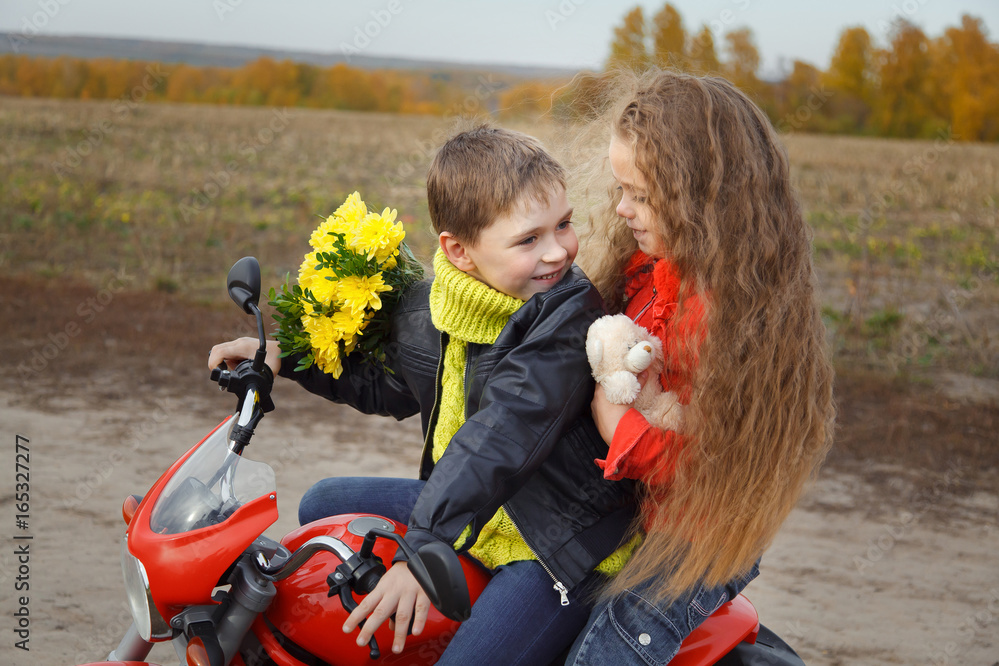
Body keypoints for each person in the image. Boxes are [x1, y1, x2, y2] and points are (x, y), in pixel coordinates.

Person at [209, 126, 637, 664]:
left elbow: (501, 434)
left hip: (556, 542)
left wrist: (422, 550)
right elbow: (390, 387)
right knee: (322, 503)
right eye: (529, 239)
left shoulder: (567, 316)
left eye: (564, 225)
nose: (558, 251)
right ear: (459, 252)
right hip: (481, 511)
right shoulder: (434, 308)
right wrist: (284, 359)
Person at [564, 70, 836, 664]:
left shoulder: (737, 319)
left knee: (605, 652)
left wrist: (618, 428)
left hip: (696, 542)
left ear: (701, 197)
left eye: (640, 195)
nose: (621, 209)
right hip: (635, 516)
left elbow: (717, 462)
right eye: (620, 189)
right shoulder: (650, 270)